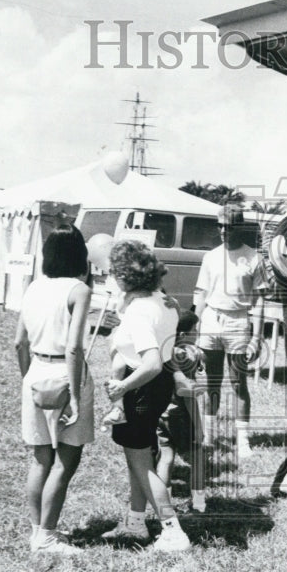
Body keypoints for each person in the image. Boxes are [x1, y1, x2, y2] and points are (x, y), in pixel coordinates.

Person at [101, 241, 192, 552]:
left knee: (141, 463)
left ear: (126, 278)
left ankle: (172, 531)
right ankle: (136, 522)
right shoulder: (165, 301)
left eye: (113, 273)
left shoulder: (140, 312)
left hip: (140, 385)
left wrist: (122, 388)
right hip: (158, 386)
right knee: (140, 459)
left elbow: (150, 362)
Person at [14, 225, 94, 554]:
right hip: (66, 372)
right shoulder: (79, 290)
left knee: (40, 460)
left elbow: (19, 342)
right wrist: (75, 396)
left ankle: (38, 532)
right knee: (65, 462)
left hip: (36, 371)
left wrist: (26, 376)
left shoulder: (34, 287)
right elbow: (74, 348)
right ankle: (47, 536)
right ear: (80, 255)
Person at [194, 203, 267, 457]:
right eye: (221, 226)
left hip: (238, 322)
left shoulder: (255, 258)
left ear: (240, 227)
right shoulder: (210, 257)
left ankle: (243, 439)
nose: (224, 231)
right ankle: (209, 436)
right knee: (211, 381)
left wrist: (256, 338)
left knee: (238, 382)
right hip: (212, 321)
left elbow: (259, 300)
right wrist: (195, 325)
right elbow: (201, 294)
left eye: (229, 226)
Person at [155, 310, 207, 514]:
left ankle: (163, 503)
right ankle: (199, 503)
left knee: (166, 456)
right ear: (184, 335)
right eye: (195, 330)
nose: (197, 333)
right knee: (198, 457)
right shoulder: (187, 356)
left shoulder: (165, 351)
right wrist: (199, 426)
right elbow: (188, 396)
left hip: (162, 412)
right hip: (181, 414)